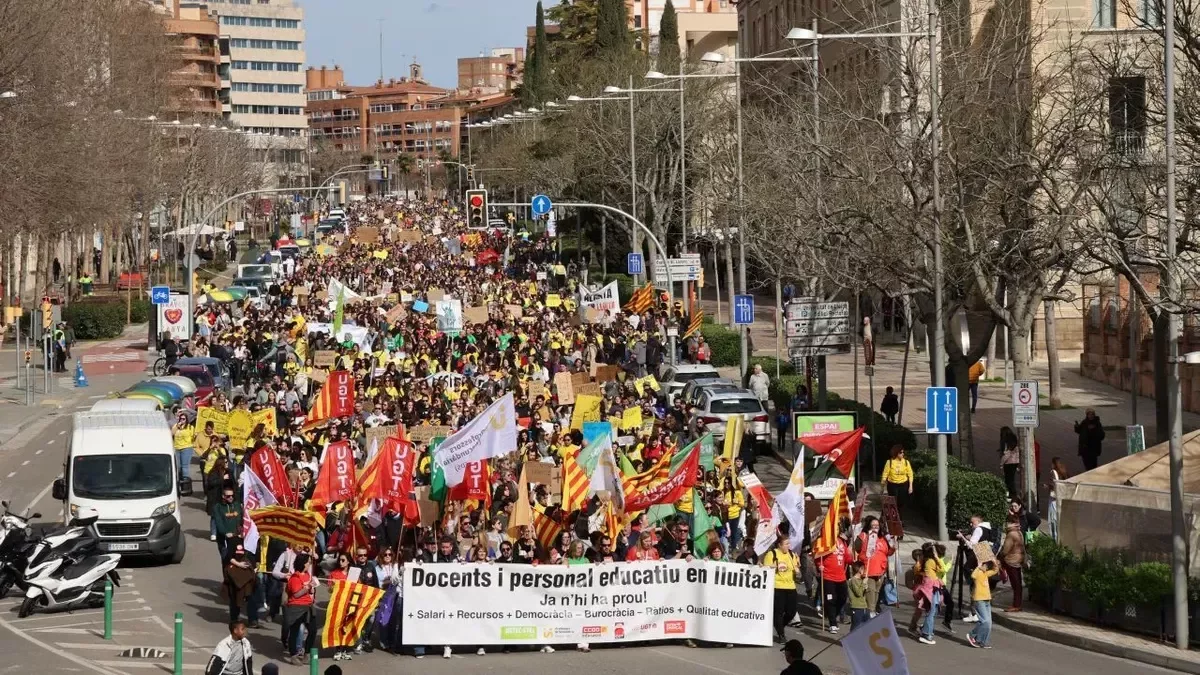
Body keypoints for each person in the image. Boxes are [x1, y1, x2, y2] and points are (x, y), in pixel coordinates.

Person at [763, 533, 801, 643]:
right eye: (786, 544)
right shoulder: (772, 554)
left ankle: (779, 625)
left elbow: (796, 569)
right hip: (777, 586)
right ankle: (781, 634)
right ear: (779, 545)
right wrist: (771, 566)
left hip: (790, 586)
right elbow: (764, 569)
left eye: (789, 543)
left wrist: (797, 571)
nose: (788, 546)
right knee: (778, 612)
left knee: (791, 612)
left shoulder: (791, 554)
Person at [853, 516, 894, 614]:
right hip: (868, 571)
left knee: (876, 595)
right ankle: (871, 615)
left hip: (880, 572)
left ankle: (871, 612)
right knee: (870, 595)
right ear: (868, 526)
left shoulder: (882, 538)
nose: (875, 527)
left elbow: (888, 552)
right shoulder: (863, 536)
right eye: (873, 525)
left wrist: (893, 547)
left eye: (877, 525)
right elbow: (856, 549)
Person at [283, 554, 318, 666]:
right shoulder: (295, 578)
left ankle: (306, 653)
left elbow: (309, 591)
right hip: (296, 607)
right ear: (303, 563)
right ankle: (293, 655)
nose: (309, 564)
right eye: (308, 562)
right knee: (294, 632)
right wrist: (307, 587)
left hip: (308, 606)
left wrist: (312, 588)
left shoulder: (308, 575)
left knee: (313, 630)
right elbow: (296, 594)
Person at [967, 559, 997, 648]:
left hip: (987, 600)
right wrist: (978, 567)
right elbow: (973, 575)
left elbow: (995, 570)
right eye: (985, 566)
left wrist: (994, 562)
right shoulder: (978, 572)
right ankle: (972, 635)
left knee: (989, 623)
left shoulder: (986, 574)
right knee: (985, 621)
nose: (986, 568)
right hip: (979, 600)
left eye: (987, 567)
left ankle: (983, 641)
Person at [999, 520, 1026, 611]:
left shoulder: (1011, 534)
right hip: (1018, 559)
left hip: (1011, 560)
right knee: (1018, 583)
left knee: (1015, 584)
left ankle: (1016, 605)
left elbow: (1006, 549)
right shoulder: (1019, 532)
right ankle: (1018, 604)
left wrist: (1001, 556)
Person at [879, 446, 913, 516]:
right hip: (892, 485)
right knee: (893, 502)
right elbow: (885, 474)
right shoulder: (889, 462)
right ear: (896, 453)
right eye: (900, 452)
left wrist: (910, 486)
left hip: (903, 484)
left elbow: (910, 474)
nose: (902, 454)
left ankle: (899, 517)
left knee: (901, 502)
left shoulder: (906, 462)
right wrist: (882, 487)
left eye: (903, 452)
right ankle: (894, 517)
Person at [1047, 457, 1069, 541]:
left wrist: (1048, 486)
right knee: (1059, 518)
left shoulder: (1053, 472)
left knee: (1053, 519)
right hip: (1060, 497)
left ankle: (1055, 538)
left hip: (1053, 498)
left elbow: (1054, 485)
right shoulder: (1063, 471)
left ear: (1053, 463)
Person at [998, 426, 1021, 497]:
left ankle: (1012, 495)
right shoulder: (1014, 439)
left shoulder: (1006, 441)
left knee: (1008, 480)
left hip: (1008, 463)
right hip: (1015, 462)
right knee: (1011, 479)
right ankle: (1012, 494)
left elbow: (1006, 454)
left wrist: (1001, 464)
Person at [172, 413, 196, 480]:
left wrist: (195, 436)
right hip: (177, 448)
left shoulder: (190, 427)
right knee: (178, 466)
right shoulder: (176, 426)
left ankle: (185, 481)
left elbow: (193, 438)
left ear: (186, 420)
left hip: (186, 448)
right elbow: (172, 433)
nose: (182, 420)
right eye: (181, 419)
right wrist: (177, 426)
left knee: (184, 466)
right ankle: (179, 480)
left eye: (183, 419)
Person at [847, 561, 869, 631]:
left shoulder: (861, 580)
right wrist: (863, 583)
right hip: (856, 607)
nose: (864, 570)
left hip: (864, 606)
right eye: (863, 568)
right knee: (855, 626)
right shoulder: (853, 580)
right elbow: (858, 593)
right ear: (859, 569)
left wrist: (865, 587)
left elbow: (863, 593)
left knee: (865, 626)